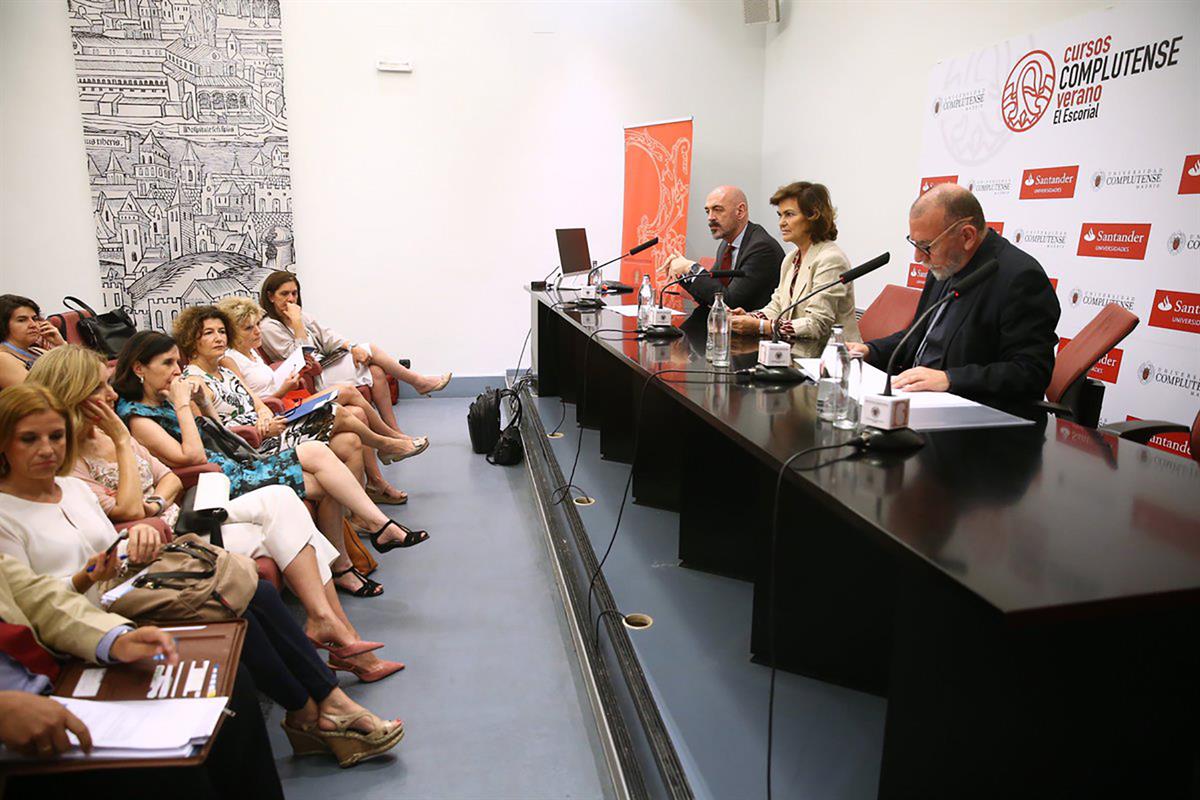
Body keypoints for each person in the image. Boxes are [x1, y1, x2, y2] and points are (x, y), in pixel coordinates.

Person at [0, 384, 405, 767]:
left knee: (253, 588)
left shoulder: (71, 488)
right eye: (29, 439)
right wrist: (86, 579)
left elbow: (116, 536)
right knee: (233, 606)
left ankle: (326, 704)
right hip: (93, 620)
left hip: (134, 585)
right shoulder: (5, 514)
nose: (48, 449)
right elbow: (25, 610)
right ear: (3, 443)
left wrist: (140, 533)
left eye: (56, 436)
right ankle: (311, 711)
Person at [27, 346, 404, 681]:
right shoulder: (87, 446)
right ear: (73, 395)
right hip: (167, 537)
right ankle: (344, 635)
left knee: (286, 504)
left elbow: (169, 479)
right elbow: (136, 501)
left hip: (185, 509)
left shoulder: (109, 433)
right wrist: (135, 451)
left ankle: (332, 625)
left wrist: (155, 498)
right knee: (292, 509)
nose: (110, 394)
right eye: (98, 389)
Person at [112, 332, 428, 577]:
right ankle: (367, 540)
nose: (176, 371)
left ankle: (364, 541)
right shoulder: (140, 419)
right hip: (223, 480)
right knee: (327, 468)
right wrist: (182, 404)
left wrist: (201, 406)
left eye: (177, 362)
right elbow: (192, 457)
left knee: (326, 460)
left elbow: (217, 431)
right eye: (167, 364)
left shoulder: (165, 396)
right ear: (139, 368)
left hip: (240, 460)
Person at [0, 553, 285, 799]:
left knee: (232, 685)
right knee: (169, 773)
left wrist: (112, 638)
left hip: (56, 675)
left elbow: (32, 593)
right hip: (18, 732)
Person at [847, 184, 1060, 407]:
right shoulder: (945, 266)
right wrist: (870, 350)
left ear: (967, 235)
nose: (918, 257)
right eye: (915, 244)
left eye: (926, 246)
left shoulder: (1020, 277)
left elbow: (1030, 373)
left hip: (974, 416)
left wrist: (949, 379)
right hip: (918, 400)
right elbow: (916, 337)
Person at [216, 296, 420, 506]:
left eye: (257, 325)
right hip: (279, 411)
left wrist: (286, 382)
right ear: (233, 332)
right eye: (249, 328)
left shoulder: (251, 353)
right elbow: (252, 403)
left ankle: (373, 486)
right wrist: (283, 389)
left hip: (284, 402)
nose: (258, 331)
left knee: (357, 416)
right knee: (347, 391)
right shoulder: (231, 359)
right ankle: (387, 441)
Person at [258, 271, 451, 433]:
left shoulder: (301, 316)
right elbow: (301, 358)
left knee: (375, 370)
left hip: (325, 365)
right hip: (311, 378)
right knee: (373, 349)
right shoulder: (269, 327)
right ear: (271, 296)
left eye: (294, 293)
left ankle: (394, 431)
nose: (291, 299)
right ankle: (419, 382)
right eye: (284, 294)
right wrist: (297, 323)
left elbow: (328, 336)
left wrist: (352, 347)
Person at [728, 181, 861, 345]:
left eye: (789, 214)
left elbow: (816, 324)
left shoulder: (831, 260)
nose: (781, 222)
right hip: (798, 352)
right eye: (780, 215)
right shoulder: (791, 258)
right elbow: (777, 306)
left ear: (813, 216)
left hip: (834, 358)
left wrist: (761, 326)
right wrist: (749, 317)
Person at [659, 185, 785, 312]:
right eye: (707, 211)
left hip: (753, 328)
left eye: (718, 209)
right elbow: (710, 295)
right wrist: (681, 272)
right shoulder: (726, 245)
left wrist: (692, 268)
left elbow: (730, 302)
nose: (710, 217)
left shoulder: (761, 248)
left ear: (740, 212)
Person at [0, 295, 65, 389]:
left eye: (34, 319)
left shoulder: (37, 351)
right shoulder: (3, 358)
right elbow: (34, 396)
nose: (33, 325)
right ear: (3, 325)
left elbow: (81, 374)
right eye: (22, 320)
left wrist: (61, 344)